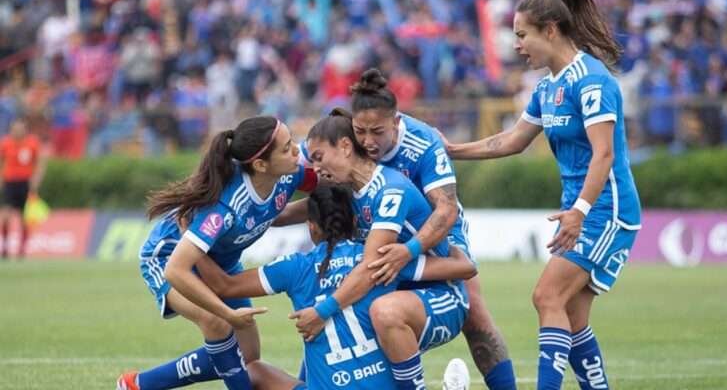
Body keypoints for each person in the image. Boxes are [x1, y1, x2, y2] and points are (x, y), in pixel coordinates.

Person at [439, 0, 641, 389]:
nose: (516, 45)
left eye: (521, 35)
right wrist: (452, 151)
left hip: (606, 211)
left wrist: (580, 211)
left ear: (549, 31)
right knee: (572, 316)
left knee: (546, 296)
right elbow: (514, 140)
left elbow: (604, 156)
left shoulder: (593, 81)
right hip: (579, 211)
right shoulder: (548, 87)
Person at [195, 184, 476, 390]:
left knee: (253, 370)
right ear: (355, 222)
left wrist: (193, 238)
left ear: (311, 228)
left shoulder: (293, 267)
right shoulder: (381, 258)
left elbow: (224, 286)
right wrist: (437, 237)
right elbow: (464, 268)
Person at [343, 67, 517, 390]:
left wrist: (408, 251)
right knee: (348, 307)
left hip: (435, 232)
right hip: (381, 229)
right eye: (360, 131)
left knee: (474, 310)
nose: (367, 141)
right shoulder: (346, 136)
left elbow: (446, 211)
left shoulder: (422, 142)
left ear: (396, 122)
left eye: (377, 132)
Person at [117, 116, 317, 390]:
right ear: (260, 164)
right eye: (286, 147)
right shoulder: (226, 206)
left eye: (292, 140)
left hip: (221, 261)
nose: (296, 150)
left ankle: (139, 385)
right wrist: (227, 313)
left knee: (248, 357)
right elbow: (177, 269)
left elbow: (296, 207)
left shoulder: (289, 171)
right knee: (216, 322)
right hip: (168, 257)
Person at [295, 108, 470, 390]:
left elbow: (371, 267)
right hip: (395, 291)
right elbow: (295, 211)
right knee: (331, 345)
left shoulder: (389, 189)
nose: (315, 168)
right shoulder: (347, 192)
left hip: (439, 298)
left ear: (345, 146)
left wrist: (322, 311)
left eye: (319, 157)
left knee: (382, 311)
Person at [0, 118, 46, 259]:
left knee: (24, 218)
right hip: (10, 182)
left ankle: (22, 251)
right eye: (15, 128)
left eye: (20, 128)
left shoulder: (32, 143)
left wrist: (36, 180)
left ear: (25, 129)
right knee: (6, 215)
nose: (17, 131)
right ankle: (5, 249)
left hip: (25, 183)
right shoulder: (6, 143)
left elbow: (40, 162)